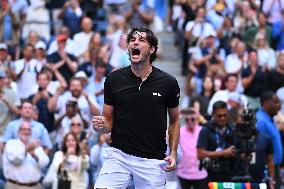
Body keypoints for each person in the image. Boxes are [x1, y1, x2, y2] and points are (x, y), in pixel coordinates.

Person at [92, 27, 180, 188]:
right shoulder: (113, 79)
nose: (135, 43)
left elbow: (174, 121)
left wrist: (173, 152)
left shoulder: (169, 82)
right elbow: (108, 123)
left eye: (141, 40)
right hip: (119, 155)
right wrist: (101, 126)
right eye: (132, 40)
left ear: (152, 49)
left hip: (152, 160)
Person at [197, 101, 237, 182]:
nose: (222, 118)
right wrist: (223, 153)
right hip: (210, 175)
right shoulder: (206, 130)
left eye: (225, 115)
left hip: (230, 173)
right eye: (219, 116)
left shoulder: (233, 129)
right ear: (213, 114)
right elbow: (200, 154)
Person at [3, 121, 49, 189]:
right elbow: (15, 160)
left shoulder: (35, 145)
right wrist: (26, 149)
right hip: (15, 186)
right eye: (23, 129)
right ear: (18, 132)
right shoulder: (11, 144)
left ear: (31, 132)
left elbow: (45, 162)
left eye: (28, 129)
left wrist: (34, 155)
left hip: (35, 186)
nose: (26, 132)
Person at [256, 91, 282, 188]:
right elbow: (259, 147)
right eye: (275, 102)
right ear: (266, 104)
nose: (278, 105)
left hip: (274, 168)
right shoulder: (260, 120)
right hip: (267, 170)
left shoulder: (270, 119)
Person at [177, 108, 208, 189]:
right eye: (187, 119)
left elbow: (213, 130)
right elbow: (167, 137)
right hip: (184, 173)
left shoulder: (202, 130)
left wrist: (199, 116)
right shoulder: (180, 131)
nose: (190, 121)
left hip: (200, 173)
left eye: (192, 119)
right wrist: (177, 118)